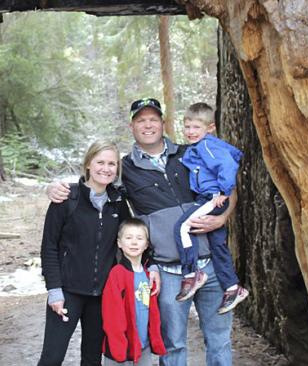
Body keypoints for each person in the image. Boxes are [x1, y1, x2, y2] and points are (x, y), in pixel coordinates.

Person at [48, 98, 236, 366]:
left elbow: (228, 185)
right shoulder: (126, 168)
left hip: (211, 266)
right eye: (141, 120)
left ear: (162, 123)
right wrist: (56, 189)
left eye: (153, 119)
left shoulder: (190, 153)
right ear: (132, 126)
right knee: (172, 344)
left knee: (219, 340)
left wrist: (223, 218)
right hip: (170, 271)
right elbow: (96, 184)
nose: (148, 125)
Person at [38, 139, 131, 366]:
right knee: (52, 357)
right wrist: (54, 290)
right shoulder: (66, 197)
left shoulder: (118, 202)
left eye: (112, 164)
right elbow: (49, 247)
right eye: (100, 162)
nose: (106, 168)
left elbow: (129, 241)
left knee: (92, 359)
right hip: (68, 292)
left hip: (102, 297)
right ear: (88, 164)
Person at [173, 103, 249, 314]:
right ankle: (233, 288)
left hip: (211, 197)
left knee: (181, 228)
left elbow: (227, 165)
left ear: (210, 127)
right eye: (187, 127)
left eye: (196, 127)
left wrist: (223, 191)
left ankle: (191, 274)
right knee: (218, 245)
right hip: (211, 196)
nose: (190, 132)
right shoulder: (198, 148)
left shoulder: (207, 145)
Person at [102, 218, 166, 366]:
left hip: (143, 345)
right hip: (120, 347)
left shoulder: (148, 275)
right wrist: (118, 345)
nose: (134, 242)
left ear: (146, 245)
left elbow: (150, 310)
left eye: (139, 238)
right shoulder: (117, 274)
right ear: (119, 243)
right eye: (128, 238)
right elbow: (111, 314)